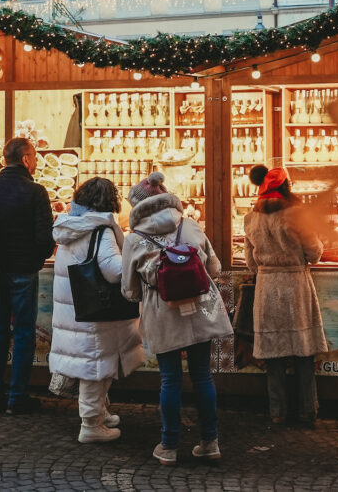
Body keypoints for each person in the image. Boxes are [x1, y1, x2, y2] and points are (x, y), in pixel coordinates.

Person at [121, 172, 233, 466]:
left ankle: (168, 446)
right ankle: (210, 442)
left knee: (170, 379)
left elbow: (129, 291)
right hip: (201, 308)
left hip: (163, 312)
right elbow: (215, 268)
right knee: (202, 375)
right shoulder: (191, 225)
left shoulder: (134, 239)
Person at [50, 177, 144, 443]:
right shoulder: (101, 231)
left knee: (93, 363)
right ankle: (90, 424)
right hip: (94, 311)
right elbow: (114, 272)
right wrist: (134, 261)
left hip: (75, 309)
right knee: (95, 366)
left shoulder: (70, 226)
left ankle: (99, 413)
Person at [244, 165, 328, 425]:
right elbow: (314, 252)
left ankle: (277, 413)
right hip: (295, 285)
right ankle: (307, 410)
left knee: (273, 354)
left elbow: (250, 262)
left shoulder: (251, 218)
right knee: (303, 352)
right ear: (286, 187)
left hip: (267, 287)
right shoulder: (298, 214)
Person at [0, 137, 56, 415]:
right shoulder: (35, 192)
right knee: (23, 333)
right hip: (23, 270)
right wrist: (36, 258)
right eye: (34, 157)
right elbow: (45, 239)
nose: (36, 162)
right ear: (25, 159)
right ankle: (17, 397)